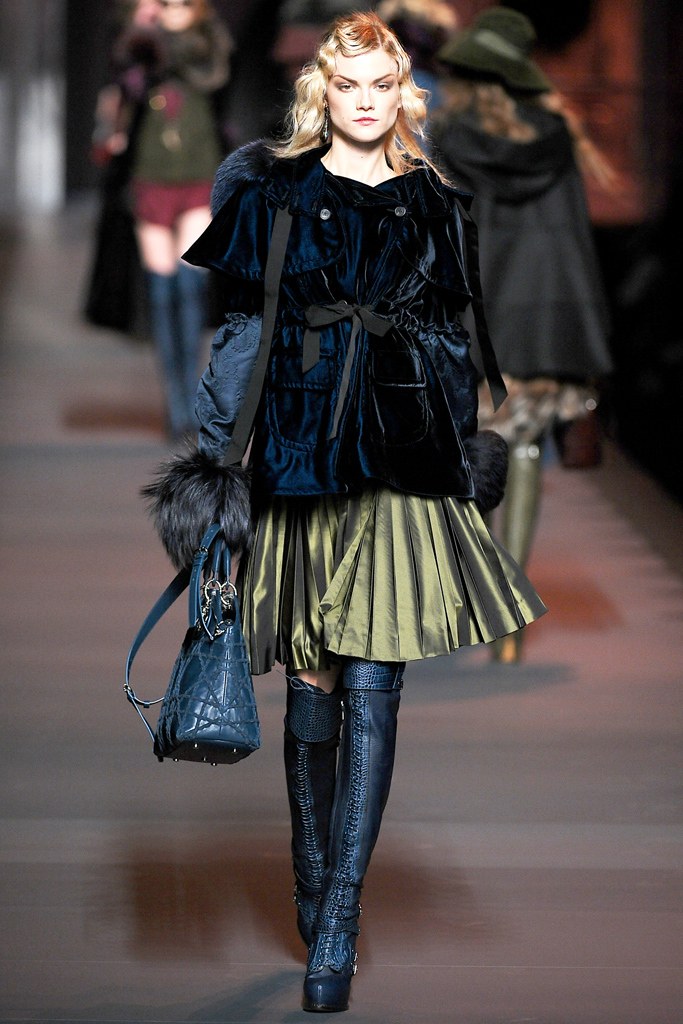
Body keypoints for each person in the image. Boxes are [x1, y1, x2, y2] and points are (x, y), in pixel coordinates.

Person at [143, 10, 545, 1013]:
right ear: (322, 90)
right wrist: (215, 464)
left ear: (402, 91)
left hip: (399, 466)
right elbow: (242, 329)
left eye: (381, 84)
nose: (364, 102)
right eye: (348, 84)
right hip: (300, 459)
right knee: (312, 685)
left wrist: (457, 444)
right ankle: (311, 864)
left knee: (374, 680)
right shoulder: (272, 191)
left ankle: (337, 914)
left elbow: (455, 340)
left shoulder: (434, 200)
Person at [432, 7, 614, 662]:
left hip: (473, 323)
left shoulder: (445, 140)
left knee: (475, 454)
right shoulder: (557, 138)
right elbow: (573, 243)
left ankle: (476, 598)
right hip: (541, 324)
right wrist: (584, 337)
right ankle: (510, 623)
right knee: (528, 449)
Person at [100, 0, 234, 438]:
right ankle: (174, 401)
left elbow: (215, 73)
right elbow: (123, 81)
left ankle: (192, 396)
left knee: (190, 287)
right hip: (150, 177)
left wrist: (171, 39)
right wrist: (142, 31)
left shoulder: (208, 38)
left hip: (197, 174)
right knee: (161, 292)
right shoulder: (140, 41)